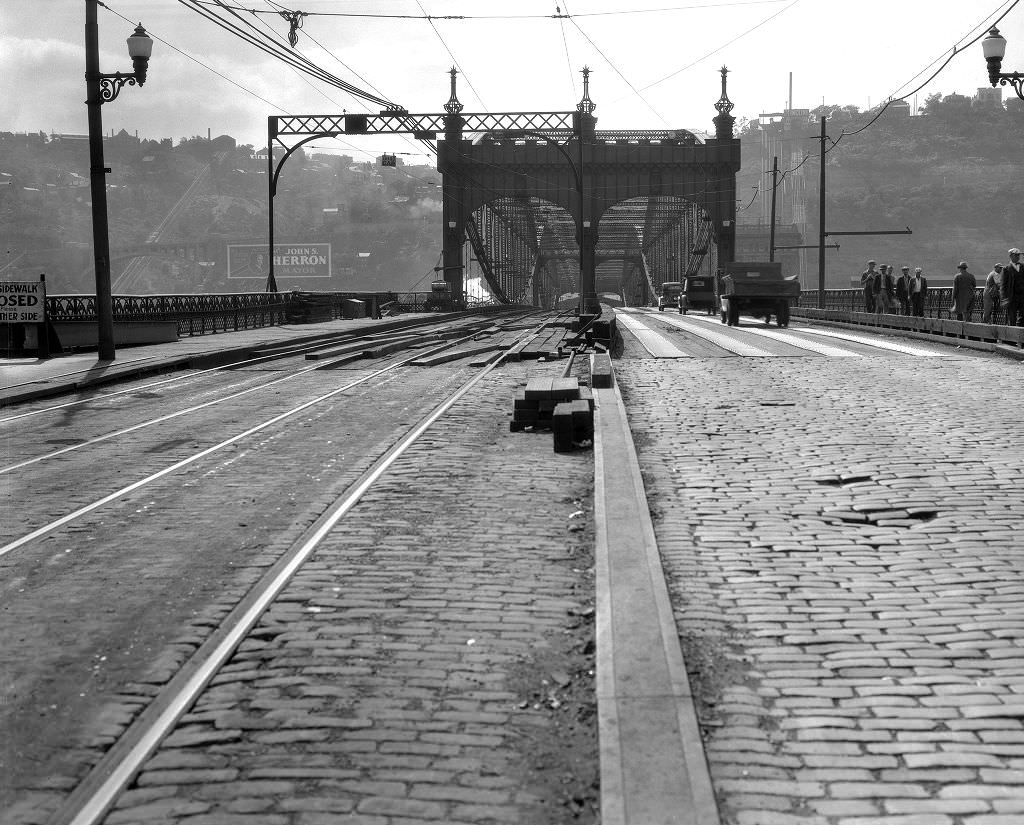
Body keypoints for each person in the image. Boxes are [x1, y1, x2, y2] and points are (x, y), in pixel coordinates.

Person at [1003, 248, 1024, 326]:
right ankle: (1010, 336)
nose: (1018, 257)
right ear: (1011, 256)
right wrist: (1004, 299)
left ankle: (1020, 335)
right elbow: (1003, 286)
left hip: (1022, 297)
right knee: (1012, 318)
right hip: (1012, 297)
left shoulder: (1022, 267)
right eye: (1016, 255)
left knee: (1022, 317)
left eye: (1018, 255)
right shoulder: (1006, 269)